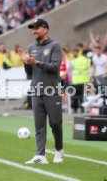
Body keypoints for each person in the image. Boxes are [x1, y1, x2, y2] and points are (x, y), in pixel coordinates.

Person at [18, 19, 63, 164]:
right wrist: (26, 62)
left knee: (55, 123)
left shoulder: (55, 45)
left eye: (36, 28)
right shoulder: (31, 47)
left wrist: (36, 62)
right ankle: (40, 155)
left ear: (45, 29)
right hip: (36, 90)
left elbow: (55, 67)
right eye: (33, 29)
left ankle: (58, 150)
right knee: (39, 124)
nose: (34, 31)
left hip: (51, 90)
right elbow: (30, 73)